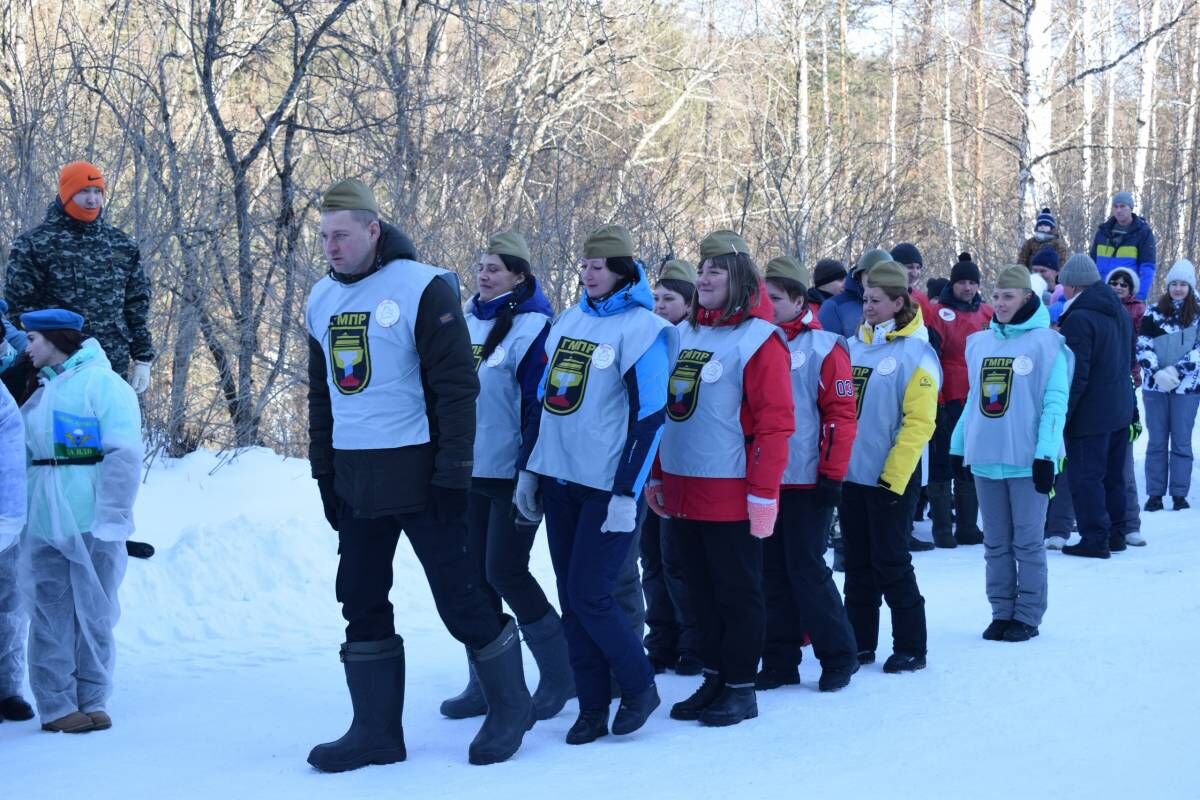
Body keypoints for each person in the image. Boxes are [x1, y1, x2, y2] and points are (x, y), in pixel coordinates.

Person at [305, 179, 533, 770]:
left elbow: (457, 387)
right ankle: (375, 732)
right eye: (325, 235)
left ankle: (512, 708)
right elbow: (323, 396)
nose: (331, 246)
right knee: (359, 597)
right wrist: (323, 474)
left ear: (373, 230)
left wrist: (454, 472)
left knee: (461, 599)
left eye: (343, 234)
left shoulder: (422, 286)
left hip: (423, 472)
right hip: (357, 478)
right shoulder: (320, 299)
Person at [519, 223, 675, 745]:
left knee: (592, 594)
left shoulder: (644, 329)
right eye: (584, 265)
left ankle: (639, 686)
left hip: (608, 489)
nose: (588, 273)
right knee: (571, 595)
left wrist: (627, 494)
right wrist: (531, 470)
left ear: (623, 271)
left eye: (599, 266)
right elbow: (544, 402)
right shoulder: (567, 321)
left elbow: (651, 416)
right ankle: (590, 707)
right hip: (561, 480)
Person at [647, 231, 793, 726]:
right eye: (702, 269)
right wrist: (658, 476)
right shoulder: (684, 333)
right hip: (684, 488)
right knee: (698, 592)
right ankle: (714, 675)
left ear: (741, 280)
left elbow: (775, 423)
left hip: (731, 491)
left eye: (717, 271)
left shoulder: (759, 340)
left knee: (737, 591)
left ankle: (740, 686)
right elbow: (669, 414)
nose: (705, 277)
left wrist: (763, 494)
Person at [438, 230, 574, 723]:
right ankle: (486, 680)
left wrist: (530, 471)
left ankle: (561, 673)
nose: (483, 275)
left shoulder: (535, 326)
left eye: (494, 268)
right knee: (474, 579)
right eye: (480, 266)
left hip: (514, 471)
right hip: (468, 467)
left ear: (519, 275)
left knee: (505, 570)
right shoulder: (467, 319)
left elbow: (541, 404)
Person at [5, 162, 155, 561]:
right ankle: (42, 534)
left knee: (113, 451)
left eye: (98, 192)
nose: (92, 199)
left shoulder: (121, 246)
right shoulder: (35, 244)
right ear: (65, 195)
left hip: (106, 368)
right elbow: (18, 308)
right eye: (82, 192)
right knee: (57, 454)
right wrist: (35, 354)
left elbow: (136, 303)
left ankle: (111, 533)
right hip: (49, 369)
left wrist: (143, 355)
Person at [15, 309, 142, 733]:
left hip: (92, 520)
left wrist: (113, 516)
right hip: (44, 521)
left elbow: (123, 455)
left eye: (32, 338)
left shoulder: (103, 385)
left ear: (55, 339)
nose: (27, 347)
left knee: (96, 609)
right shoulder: (38, 389)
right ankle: (55, 705)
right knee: (50, 611)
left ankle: (92, 696)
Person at [950, 266, 1071, 643]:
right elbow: (973, 401)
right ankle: (1001, 611)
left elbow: (1055, 405)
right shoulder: (979, 343)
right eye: (997, 296)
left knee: (1028, 542)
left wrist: (1046, 456)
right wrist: (957, 447)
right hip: (987, 458)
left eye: (1009, 297)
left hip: (1026, 459)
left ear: (1027, 299)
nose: (1001, 304)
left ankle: (1027, 615)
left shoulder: (1048, 344)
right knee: (995, 542)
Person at [756, 256, 859, 693]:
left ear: (799, 300)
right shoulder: (757, 340)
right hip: (765, 479)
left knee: (806, 567)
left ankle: (838, 654)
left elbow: (840, 415)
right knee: (770, 571)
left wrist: (832, 475)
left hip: (806, 478)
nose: (766, 305)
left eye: (774, 298)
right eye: (763, 297)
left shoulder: (824, 347)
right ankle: (780, 657)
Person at [841, 261, 939, 672]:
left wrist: (893, 478)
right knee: (857, 563)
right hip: (852, 474)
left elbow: (919, 423)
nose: (868, 306)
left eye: (877, 300)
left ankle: (911, 645)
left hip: (892, 477)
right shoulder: (850, 346)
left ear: (899, 302)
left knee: (891, 561)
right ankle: (859, 642)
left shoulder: (917, 351)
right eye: (865, 298)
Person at [642, 259, 702, 676]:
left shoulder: (693, 342)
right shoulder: (649, 337)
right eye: (657, 298)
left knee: (678, 561)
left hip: (681, 465)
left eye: (670, 298)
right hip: (646, 464)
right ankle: (660, 640)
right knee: (651, 560)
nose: (661, 305)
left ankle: (692, 642)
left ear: (689, 302)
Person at [1056, 254, 1136, 558]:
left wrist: (1064, 415)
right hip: (1119, 407)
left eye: (1064, 284)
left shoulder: (1079, 318)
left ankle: (1094, 538)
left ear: (1074, 285)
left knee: (1086, 477)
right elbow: (1129, 360)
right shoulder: (1119, 311)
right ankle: (1117, 533)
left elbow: (1076, 373)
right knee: (1114, 476)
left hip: (1090, 413)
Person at [925, 253, 993, 548]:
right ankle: (942, 528)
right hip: (945, 394)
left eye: (972, 283)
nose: (967, 288)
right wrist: (936, 399)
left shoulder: (987, 313)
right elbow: (930, 358)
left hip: (979, 395)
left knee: (970, 458)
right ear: (952, 284)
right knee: (941, 459)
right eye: (962, 282)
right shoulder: (937, 313)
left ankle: (967, 526)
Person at [1136, 259, 1200, 513]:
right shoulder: (1153, 312)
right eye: (1174, 283)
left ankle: (1179, 495)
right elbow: (1143, 344)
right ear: (1168, 285)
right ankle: (1154, 493)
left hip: (1187, 388)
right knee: (1157, 442)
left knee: (1182, 442)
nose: (1178, 288)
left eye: (1183, 284)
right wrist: (1156, 370)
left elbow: (1198, 352)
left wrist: (1176, 369)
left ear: (1190, 287)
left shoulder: (1197, 314)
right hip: (1156, 387)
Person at [1107, 267, 1146, 545]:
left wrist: (1134, 375)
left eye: (1124, 284)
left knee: (1124, 463)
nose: (1118, 287)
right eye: (1114, 282)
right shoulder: (1100, 310)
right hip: (1103, 389)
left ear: (1131, 290)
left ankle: (1131, 523)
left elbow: (1139, 349)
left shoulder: (1137, 313)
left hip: (1125, 388)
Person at [0, 377, 29, 724]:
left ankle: (8, 690)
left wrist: (9, 519)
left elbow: (10, 457)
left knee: (9, 606)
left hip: (7, 518)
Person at [1090, 191, 1156, 299]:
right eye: (1115, 207)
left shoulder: (1143, 233)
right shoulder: (1103, 232)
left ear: (1131, 208)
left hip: (1127, 297)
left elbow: (1147, 268)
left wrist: (1139, 297)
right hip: (1101, 295)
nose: (1118, 210)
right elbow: (1091, 264)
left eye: (1122, 206)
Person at [818, 248, 892, 338]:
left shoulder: (899, 304)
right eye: (870, 273)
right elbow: (827, 348)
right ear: (859, 276)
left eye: (884, 273)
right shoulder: (833, 307)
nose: (877, 278)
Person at [890, 242, 936, 321]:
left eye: (918, 268)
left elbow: (928, 326)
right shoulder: (881, 295)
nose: (915, 273)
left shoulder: (921, 299)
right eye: (910, 267)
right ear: (896, 268)